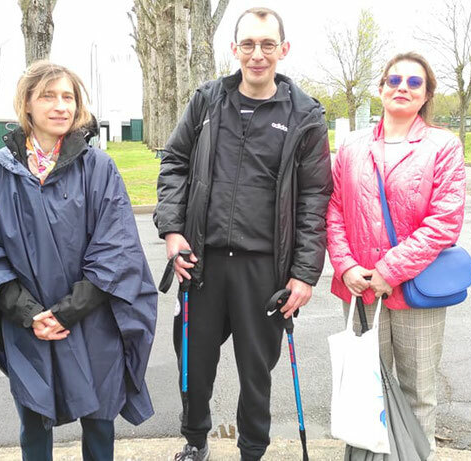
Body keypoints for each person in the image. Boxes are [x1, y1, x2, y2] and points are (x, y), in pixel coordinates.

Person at [154, 7, 332, 461]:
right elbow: (174, 162)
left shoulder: (305, 116)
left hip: (265, 269)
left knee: (257, 374)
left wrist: (304, 274)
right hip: (202, 263)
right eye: (248, 44)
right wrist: (172, 230)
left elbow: (315, 198)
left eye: (267, 44)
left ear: (283, 49)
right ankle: (195, 440)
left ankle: (252, 450)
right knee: (193, 365)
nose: (257, 54)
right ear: (234, 49)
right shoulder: (207, 101)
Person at [0, 61, 158, 461]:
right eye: (48, 96)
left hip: (91, 319)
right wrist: (27, 312)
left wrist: (67, 311)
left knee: (100, 420)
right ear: (27, 103)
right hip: (28, 323)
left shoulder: (98, 167)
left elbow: (116, 245)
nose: (60, 106)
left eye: (68, 97)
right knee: (34, 420)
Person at [327, 52, 466, 459]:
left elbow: (445, 221)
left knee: (418, 390)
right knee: (364, 387)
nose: (403, 87)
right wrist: (345, 265)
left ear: (426, 94)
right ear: (381, 88)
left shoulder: (443, 146)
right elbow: (333, 209)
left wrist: (390, 270)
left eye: (414, 82)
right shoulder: (352, 146)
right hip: (360, 289)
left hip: (415, 291)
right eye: (395, 80)